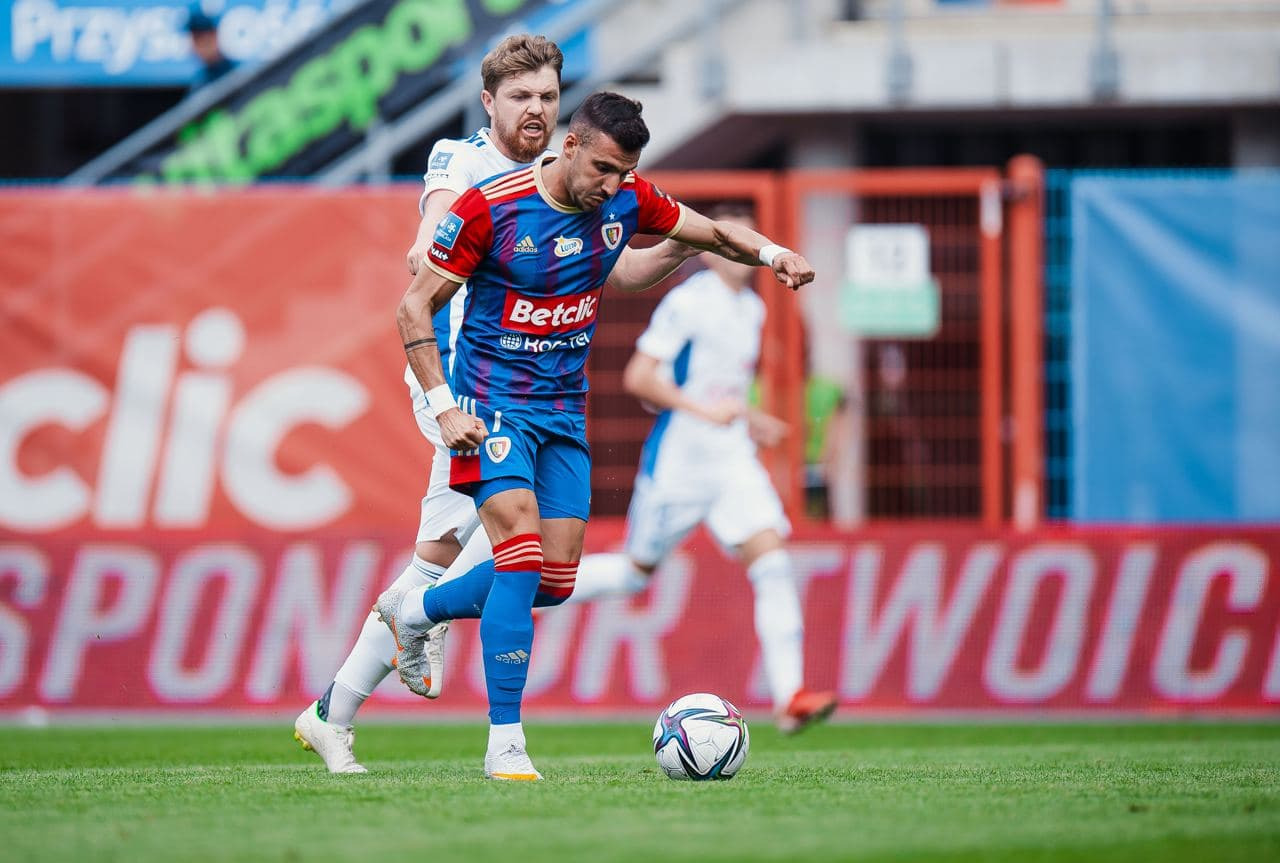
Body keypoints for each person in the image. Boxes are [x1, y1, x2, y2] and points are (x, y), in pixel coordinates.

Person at [379, 91, 814, 781]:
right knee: (519, 557)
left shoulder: (625, 199)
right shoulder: (490, 207)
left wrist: (773, 252)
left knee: (555, 579)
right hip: (491, 407)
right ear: (571, 145)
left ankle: (418, 609)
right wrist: (442, 406)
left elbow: (713, 232)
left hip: (561, 412)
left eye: (625, 173)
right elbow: (413, 306)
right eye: (604, 169)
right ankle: (505, 743)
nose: (613, 186)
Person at [293, 36, 696, 774]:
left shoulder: (574, 181)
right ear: (489, 103)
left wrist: (684, 244)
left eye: (547, 96)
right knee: (511, 558)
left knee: (440, 567)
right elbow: (435, 225)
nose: (534, 109)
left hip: (526, 395)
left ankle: (334, 710)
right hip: (467, 389)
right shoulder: (463, 162)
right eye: (519, 97)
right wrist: (429, 244)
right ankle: (474, 718)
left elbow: (616, 270)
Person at [563, 203, 838, 734]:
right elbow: (641, 378)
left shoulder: (751, 309)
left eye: (745, 243)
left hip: (731, 459)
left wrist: (748, 418)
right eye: (728, 243)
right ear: (711, 251)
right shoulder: (688, 302)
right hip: (680, 461)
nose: (738, 253)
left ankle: (791, 698)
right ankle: (523, 591)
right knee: (633, 574)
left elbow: (719, 388)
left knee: (772, 562)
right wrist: (703, 412)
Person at [185, 9, 236, 91]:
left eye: (203, 40)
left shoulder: (237, 73)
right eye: (195, 39)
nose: (199, 46)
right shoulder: (201, 79)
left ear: (215, 35)